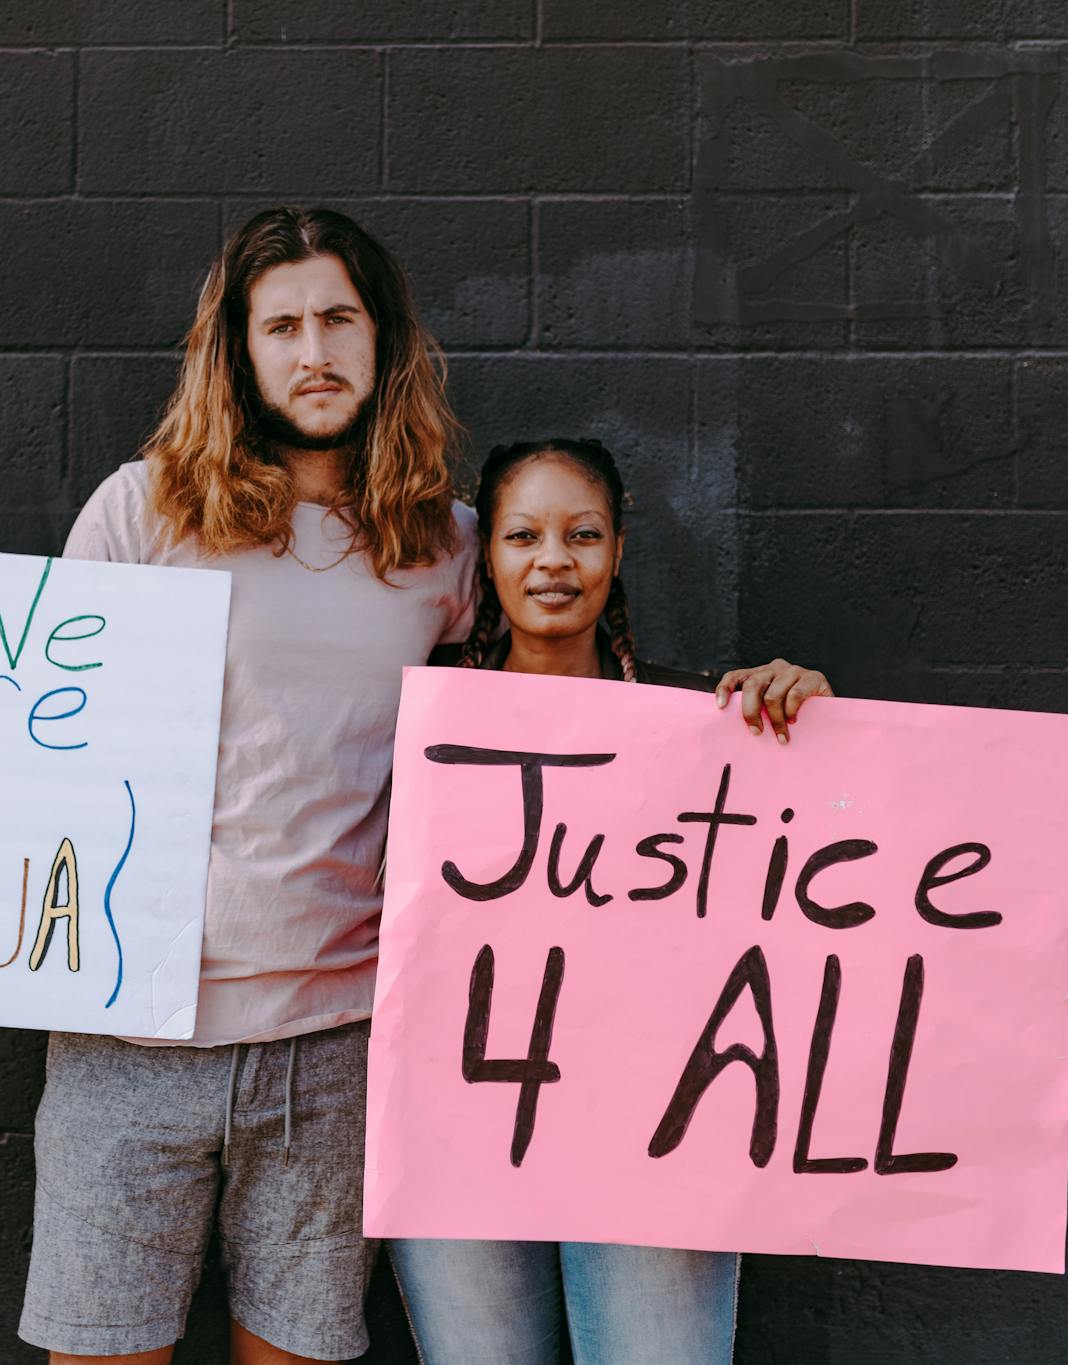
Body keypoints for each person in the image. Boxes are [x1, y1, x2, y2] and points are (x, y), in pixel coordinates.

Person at [0, 205, 480, 1364]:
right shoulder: (143, 514)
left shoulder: (442, 548)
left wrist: (747, 703)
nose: (313, 352)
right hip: (125, 1036)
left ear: (384, 339)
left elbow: (576, 706)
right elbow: (9, 756)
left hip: (334, 1042)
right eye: (281, 324)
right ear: (237, 352)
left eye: (339, 319)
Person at [389, 437, 833, 1365]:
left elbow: (822, 868)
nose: (554, 560)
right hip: (463, 1132)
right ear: (488, 557)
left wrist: (814, 727)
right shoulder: (418, 723)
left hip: (655, 1139)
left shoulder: (704, 722)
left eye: (581, 534)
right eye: (523, 536)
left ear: (619, 551)